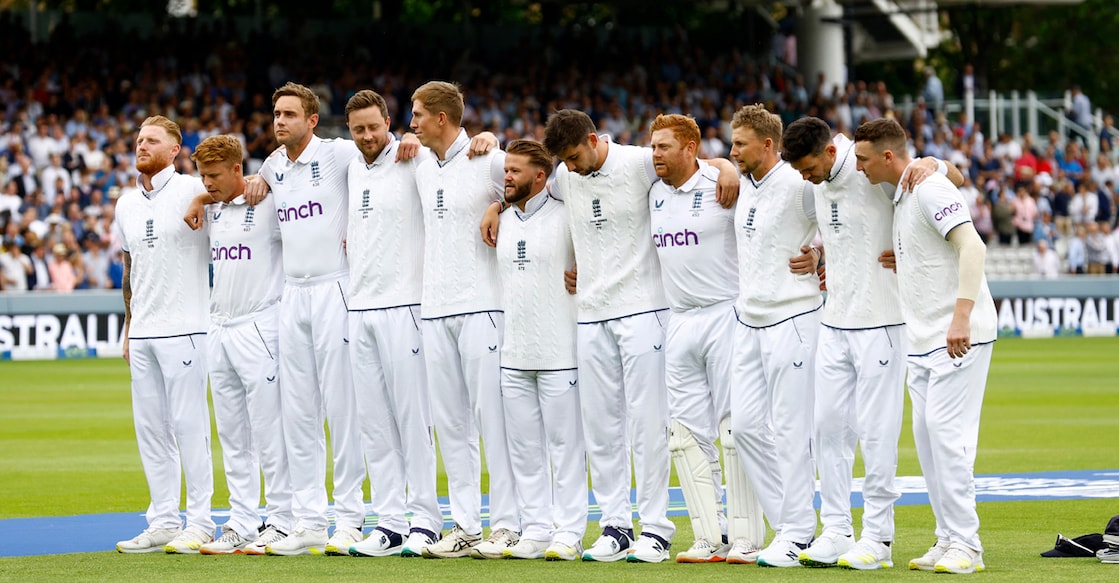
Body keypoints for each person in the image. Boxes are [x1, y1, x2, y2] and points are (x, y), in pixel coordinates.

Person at [518, 108, 738, 563]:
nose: (572, 167)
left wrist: (729, 166)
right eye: (565, 161)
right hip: (591, 313)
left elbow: (697, 165)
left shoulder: (639, 162)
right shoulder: (563, 173)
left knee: (648, 424)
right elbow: (530, 186)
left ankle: (655, 529)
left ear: (595, 139)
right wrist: (495, 205)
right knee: (600, 427)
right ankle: (615, 526)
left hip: (644, 311)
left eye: (577, 156)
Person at [781, 116, 963, 570]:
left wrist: (934, 163)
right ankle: (837, 530)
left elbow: (956, 179)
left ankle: (878, 538)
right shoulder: (818, 178)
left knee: (877, 435)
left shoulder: (870, 169)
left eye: (808, 169)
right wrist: (820, 254)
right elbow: (846, 231)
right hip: (834, 320)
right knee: (826, 429)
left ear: (828, 152)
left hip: (882, 322)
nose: (805, 180)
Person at [854, 118, 998, 575]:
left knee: (947, 438)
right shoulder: (900, 192)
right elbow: (954, 179)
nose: (858, 167)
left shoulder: (928, 187)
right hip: (922, 341)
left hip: (957, 333)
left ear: (889, 157)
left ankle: (968, 546)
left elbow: (973, 248)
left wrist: (961, 316)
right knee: (929, 442)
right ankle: (947, 537)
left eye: (863, 159)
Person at [646, 114, 765, 565]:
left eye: (663, 147)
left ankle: (747, 537)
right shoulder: (652, 191)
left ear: (690, 148)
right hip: (679, 320)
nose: (654, 154)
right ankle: (707, 536)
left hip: (725, 314)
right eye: (652, 146)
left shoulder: (725, 186)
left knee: (735, 430)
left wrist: (727, 167)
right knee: (683, 434)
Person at [408, 81, 519, 560]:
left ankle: (510, 526)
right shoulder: (415, 161)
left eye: (416, 114)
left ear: (441, 117)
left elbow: (540, 187)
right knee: (450, 424)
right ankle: (466, 526)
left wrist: (498, 202)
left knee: (492, 420)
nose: (410, 122)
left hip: (482, 306)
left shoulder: (489, 158)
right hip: (433, 309)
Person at [255, 82, 366, 555]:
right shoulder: (272, 166)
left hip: (334, 288)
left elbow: (390, 148)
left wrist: (479, 136)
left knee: (341, 409)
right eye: (276, 114)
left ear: (312, 120)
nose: (279, 121)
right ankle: (308, 520)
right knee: (298, 412)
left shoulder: (340, 153)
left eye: (289, 115)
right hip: (291, 297)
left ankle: (350, 518)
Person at [340, 90, 443, 558]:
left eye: (373, 127)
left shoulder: (414, 157)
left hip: (405, 306)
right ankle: (390, 523)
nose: (366, 136)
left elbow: (455, 161)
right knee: (374, 424)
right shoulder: (348, 165)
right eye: (358, 129)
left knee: (412, 419)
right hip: (359, 308)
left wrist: (484, 136)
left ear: (388, 122)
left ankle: (426, 520)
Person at [181, 135, 294, 555]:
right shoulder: (212, 209)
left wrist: (262, 181)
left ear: (236, 170)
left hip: (260, 325)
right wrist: (199, 197)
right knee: (232, 433)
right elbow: (205, 198)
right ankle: (242, 522)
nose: (207, 183)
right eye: (202, 176)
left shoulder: (269, 203)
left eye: (213, 175)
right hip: (219, 327)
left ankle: (282, 519)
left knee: (269, 430)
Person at [113, 115, 215, 554]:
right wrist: (129, 326)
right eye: (138, 140)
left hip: (188, 327)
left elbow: (242, 185)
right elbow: (129, 268)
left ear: (175, 150)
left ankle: (202, 521)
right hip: (145, 332)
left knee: (190, 427)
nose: (141, 146)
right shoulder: (124, 203)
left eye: (152, 140)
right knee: (151, 429)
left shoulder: (196, 190)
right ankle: (163, 520)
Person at [726, 104, 821, 568]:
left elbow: (838, 215)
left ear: (768, 145)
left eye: (740, 143)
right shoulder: (742, 181)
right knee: (744, 427)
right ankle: (788, 525)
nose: (732, 151)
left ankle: (799, 532)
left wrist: (820, 252)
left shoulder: (800, 184)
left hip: (794, 318)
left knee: (790, 430)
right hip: (749, 320)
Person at [491, 139, 588, 561]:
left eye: (514, 171)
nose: (506, 177)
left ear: (541, 176)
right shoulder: (502, 218)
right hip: (514, 352)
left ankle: (569, 531)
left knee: (566, 447)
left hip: (559, 352)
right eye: (505, 170)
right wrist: (493, 207)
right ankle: (535, 529)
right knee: (525, 449)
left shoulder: (569, 214)